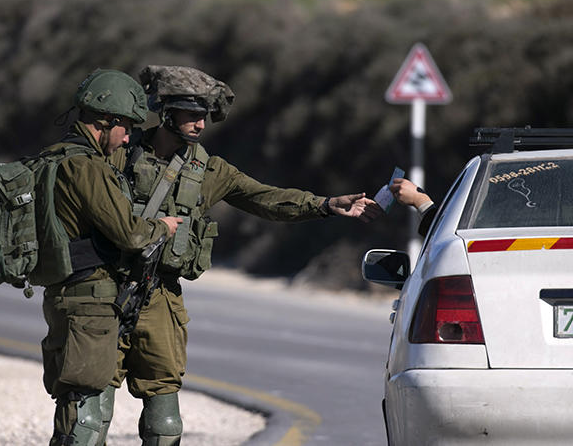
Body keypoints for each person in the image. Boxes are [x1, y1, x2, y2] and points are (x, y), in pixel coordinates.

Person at [105, 65, 382, 444]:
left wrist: (327, 203)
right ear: (166, 111)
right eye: (191, 114)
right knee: (91, 403)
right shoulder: (117, 153)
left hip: (161, 296)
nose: (200, 125)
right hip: (103, 287)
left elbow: (265, 198)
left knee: (164, 411)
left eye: (204, 116)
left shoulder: (208, 170)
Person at [40, 69, 183, 446]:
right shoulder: (87, 167)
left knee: (75, 403)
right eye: (124, 129)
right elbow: (130, 233)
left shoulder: (51, 157)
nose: (125, 140)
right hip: (90, 301)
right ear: (107, 122)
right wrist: (163, 228)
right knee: (84, 416)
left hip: (62, 291)